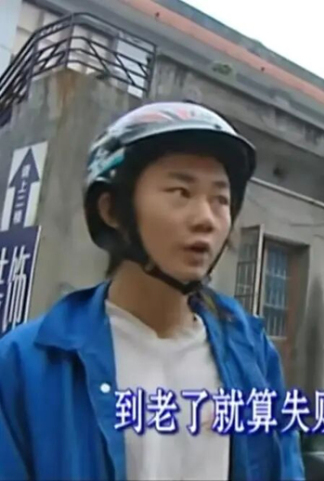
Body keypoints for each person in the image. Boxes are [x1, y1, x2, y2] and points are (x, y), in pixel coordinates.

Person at [0, 101, 305, 480]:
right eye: (181, 192)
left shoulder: (251, 352)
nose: (206, 219)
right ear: (112, 210)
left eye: (220, 199)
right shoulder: (26, 365)